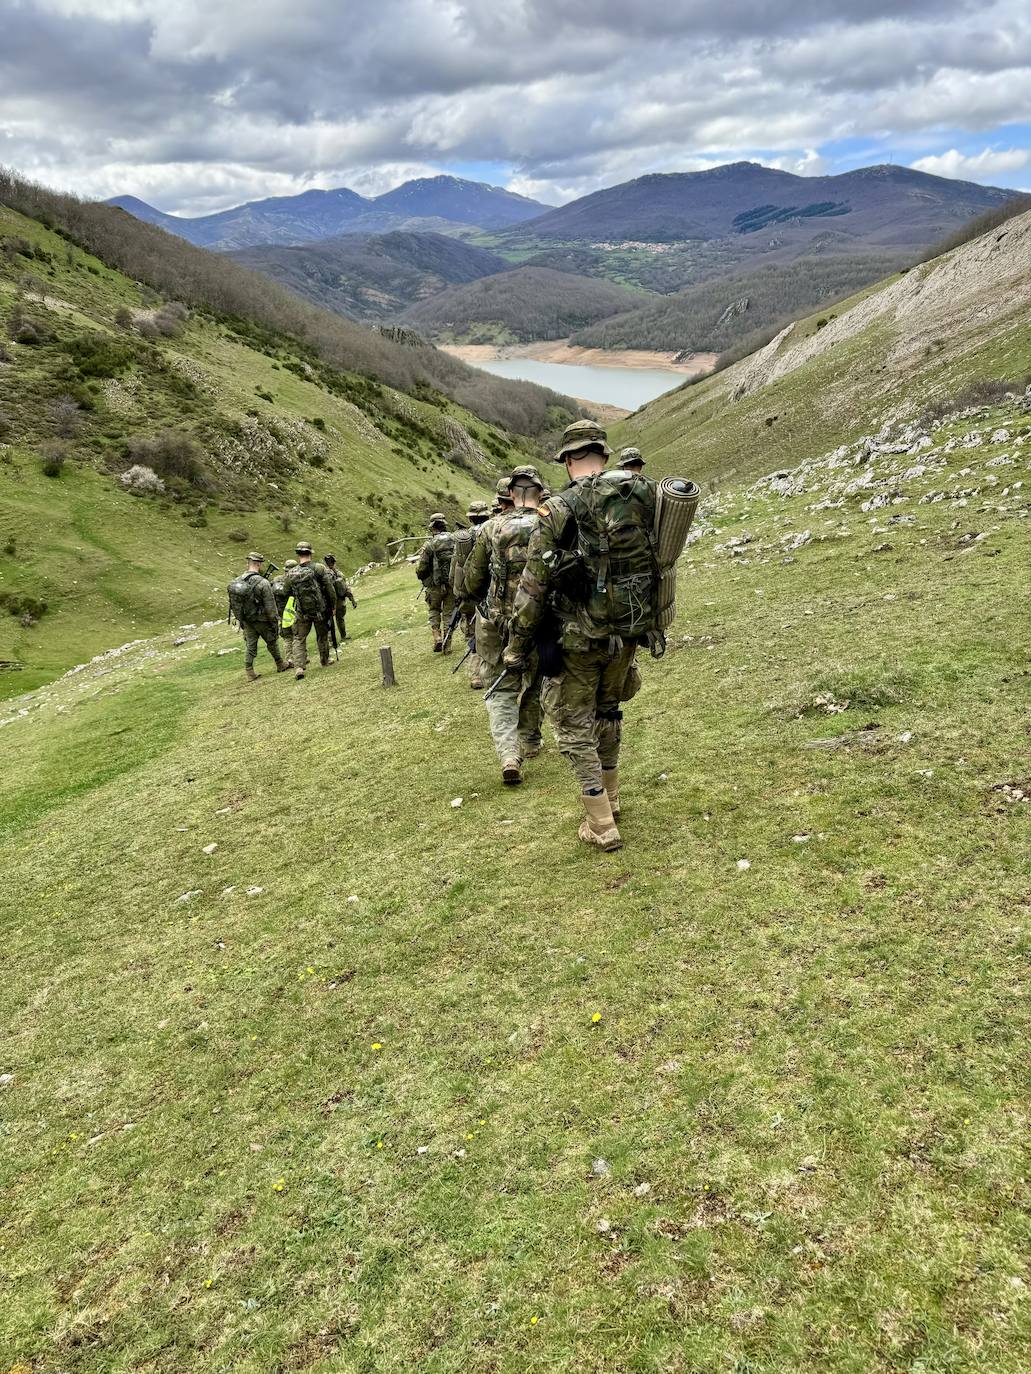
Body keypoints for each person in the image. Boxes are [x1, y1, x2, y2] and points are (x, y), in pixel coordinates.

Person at [505, 420, 662, 850]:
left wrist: (517, 646)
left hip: (576, 639)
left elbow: (533, 586)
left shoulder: (558, 509)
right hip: (627, 631)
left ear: (569, 460)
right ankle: (611, 797)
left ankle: (600, 823)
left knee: (574, 725)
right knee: (609, 711)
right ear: (604, 456)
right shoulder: (643, 496)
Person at [464, 466, 546, 785]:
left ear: (510, 494)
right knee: (537, 682)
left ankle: (509, 753)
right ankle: (530, 738)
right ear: (539, 492)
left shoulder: (489, 528)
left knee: (500, 691)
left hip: (498, 626)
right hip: (541, 622)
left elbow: (473, 579)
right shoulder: (550, 522)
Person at [279, 542, 337, 680]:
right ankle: (324, 660)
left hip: (301, 611)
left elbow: (285, 592)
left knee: (299, 638)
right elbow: (330, 589)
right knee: (322, 635)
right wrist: (333, 606)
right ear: (310, 553)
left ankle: (299, 667)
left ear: (298, 555)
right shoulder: (319, 568)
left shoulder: (291, 573)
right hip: (319, 610)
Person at [449, 499, 491, 688]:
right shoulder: (494, 530)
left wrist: (459, 592)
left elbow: (454, 570)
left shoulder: (463, 539)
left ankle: (475, 675)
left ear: (470, 518)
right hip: (492, 594)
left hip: (469, 596)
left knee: (472, 635)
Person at [227, 551, 287, 682]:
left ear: (247, 563)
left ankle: (249, 672)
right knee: (272, 641)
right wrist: (274, 622)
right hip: (262, 620)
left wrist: (241, 620)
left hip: (247, 620)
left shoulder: (237, 581)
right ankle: (280, 664)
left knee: (250, 645)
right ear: (259, 564)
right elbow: (270, 607)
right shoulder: (263, 583)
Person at [415, 513, 456, 652]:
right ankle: (448, 644)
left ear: (432, 527)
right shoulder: (454, 539)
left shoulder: (429, 544)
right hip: (451, 583)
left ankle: (437, 636)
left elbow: (421, 568)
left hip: (434, 585)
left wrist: (423, 578)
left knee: (434, 610)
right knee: (449, 613)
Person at [324, 554, 357, 641]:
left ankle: (331, 640)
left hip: (327, 601)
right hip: (339, 600)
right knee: (340, 619)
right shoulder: (339, 573)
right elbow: (346, 588)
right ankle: (343, 636)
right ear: (334, 562)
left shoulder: (323, 574)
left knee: (328, 620)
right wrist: (352, 600)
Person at [271, 558, 297, 666]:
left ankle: (290, 659)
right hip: (292, 613)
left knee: (287, 638)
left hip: (282, 615)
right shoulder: (293, 580)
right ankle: (299, 657)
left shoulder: (276, 580)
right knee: (296, 637)